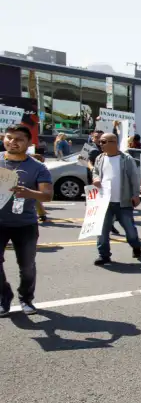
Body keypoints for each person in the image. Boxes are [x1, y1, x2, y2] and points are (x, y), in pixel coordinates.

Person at [0, 124, 53, 316]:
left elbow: (47, 195)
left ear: (29, 143)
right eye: (9, 138)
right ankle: (4, 296)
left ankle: (25, 298)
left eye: (19, 139)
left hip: (25, 224)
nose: (13, 142)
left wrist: (28, 192)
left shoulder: (38, 167)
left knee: (27, 266)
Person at [92, 132, 141, 265]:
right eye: (100, 142)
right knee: (102, 231)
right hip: (105, 202)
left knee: (130, 231)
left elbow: (134, 177)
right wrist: (96, 178)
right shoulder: (100, 158)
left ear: (114, 143)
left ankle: (136, 246)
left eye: (103, 142)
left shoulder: (126, 159)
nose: (100, 144)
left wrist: (136, 195)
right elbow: (95, 172)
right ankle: (104, 255)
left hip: (123, 202)